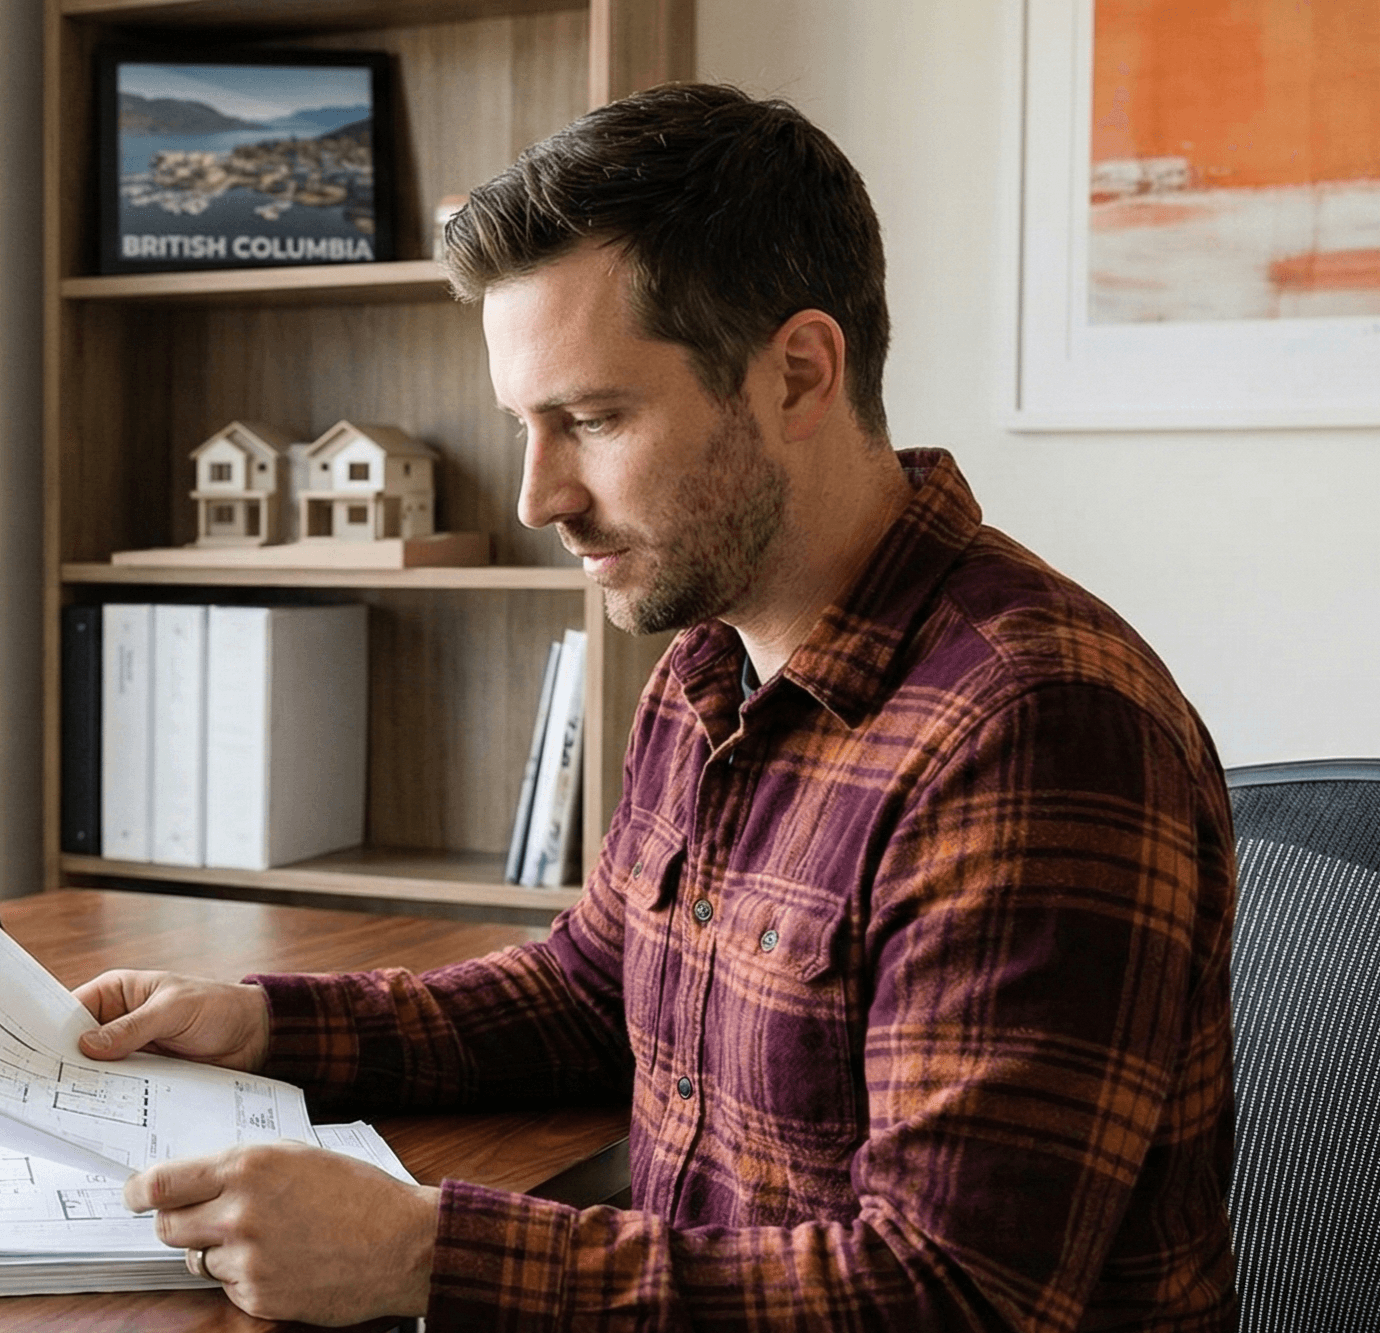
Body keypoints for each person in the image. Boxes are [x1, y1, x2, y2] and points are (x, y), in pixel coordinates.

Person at [76, 83, 1237, 1330]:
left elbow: (954, 1296)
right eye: (526, 426)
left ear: (798, 374)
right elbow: (595, 992)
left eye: (592, 419)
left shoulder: (1031, 729)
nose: (538, 498)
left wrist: (427, 1254)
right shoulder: (708, 665)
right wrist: (263, 1026)